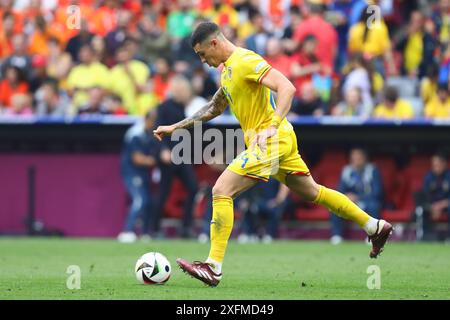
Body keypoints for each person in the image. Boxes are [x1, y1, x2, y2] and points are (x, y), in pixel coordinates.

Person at [153, 22, 393, 287]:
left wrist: (271, 126)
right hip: (278, 140)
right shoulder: (228, 71)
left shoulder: (245, 60)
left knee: (221, 190)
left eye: (202, 54)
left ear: (215, 43)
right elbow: (213, 107)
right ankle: (374, 226)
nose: (203, 61)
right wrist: (175, 127)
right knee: (313, 192)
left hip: (271, 140)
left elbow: (287, 86)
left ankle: (213, 266)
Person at [153, 75, 199, 239]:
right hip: (168, 156)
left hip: (181, 156)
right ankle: (154, 229)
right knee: (164, 193)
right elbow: (157, 130)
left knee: (193, 187)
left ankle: (186, 227)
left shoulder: (185, 108)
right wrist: (163, 150)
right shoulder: (165, 107)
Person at [118, 110, 160, 243]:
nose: (155, 123)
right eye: (153, 120)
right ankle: (127, 231)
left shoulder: (150, 133)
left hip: (143, 174)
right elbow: (137, 158)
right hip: (132, 173)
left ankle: (145, 233)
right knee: (139, 200)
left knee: (147, 202)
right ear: (147, 120)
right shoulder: (136, 133)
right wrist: (156, 161)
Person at [330, 148, 383, 245]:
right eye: (354, 158)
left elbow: (377, 192)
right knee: (335, 205)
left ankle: (372, 236)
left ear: (364, 158)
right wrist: (347, 197)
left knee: (374, 206)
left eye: (359, 158)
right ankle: (337, 235)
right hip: (350, 201)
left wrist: (358, 197)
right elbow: (340, 191)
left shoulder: (372, 170)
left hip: (367, 200)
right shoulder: (347, 171)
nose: (356, 161)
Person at [415, 152, 450, 241]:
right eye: (434, 165)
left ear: (444, 163)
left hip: (446, 205)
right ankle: (425, 237)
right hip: (432, 206)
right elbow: (425, 196)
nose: (435, 167)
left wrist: (440, 206)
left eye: (437, 165)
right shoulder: (429, 176)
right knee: (421, 209)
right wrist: (432, 207)